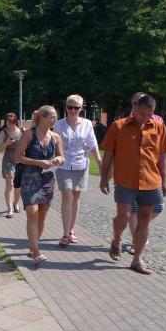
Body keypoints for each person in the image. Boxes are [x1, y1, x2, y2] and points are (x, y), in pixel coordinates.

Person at [101, 94, 166, 274]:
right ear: (135, 109)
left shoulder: (158, 126)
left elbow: (163, 155)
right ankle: (117, 239)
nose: (145, 118)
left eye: (149, 114)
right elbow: (108, 154)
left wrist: (164, 181)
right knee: (124, 216)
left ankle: (137, 258)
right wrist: (103, 178)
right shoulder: (118, 126)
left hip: (151, 180)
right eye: (142, 114)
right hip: (125, 180)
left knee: (145, 219)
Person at [13, 105, 65, 265]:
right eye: (52, 116)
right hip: (29, 177)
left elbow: (62, 157)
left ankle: (33, 245)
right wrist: (38, 162)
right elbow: (17, 157)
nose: (55, 119)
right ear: (42, 118)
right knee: (32, 212)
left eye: (56, 117)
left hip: (47, 178)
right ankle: (35, 251)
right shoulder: (29, 134)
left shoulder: (55, 137)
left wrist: (57, 160)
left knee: (42, 214)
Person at [54, 95, 102, 246]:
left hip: (81, 164)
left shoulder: (87, 124)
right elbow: (53, 143)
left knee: (76, 198)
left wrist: (99, 162)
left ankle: (72, 230)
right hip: (64, 165)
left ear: (81, 108)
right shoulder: (59, 125)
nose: (73, 110)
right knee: (67, 195)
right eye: (70, 107)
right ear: (66, 108)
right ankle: (65, 233)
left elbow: (92, 144)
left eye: (77, 108)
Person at [125, 92, 165, 253]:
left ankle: (141, 230)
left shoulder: (158, 121)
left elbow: (163, 150)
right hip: (131, 177)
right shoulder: (126, 122)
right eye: (135, 103)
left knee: (159, 207)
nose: (137, 106)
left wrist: (164, 176)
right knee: (134, 210)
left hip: (152, 174)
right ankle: (136, 242)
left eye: (139, 102)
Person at [0, 112, 22, 218]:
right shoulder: (3, 133)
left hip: (20, 161)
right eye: (7, 122)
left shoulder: (22, 131)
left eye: (11, 122)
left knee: (18, 186)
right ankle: (10, 209)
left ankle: (15, 203)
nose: (9, 124)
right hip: (8, 160)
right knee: (10, 184)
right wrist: (6, 143)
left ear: (15, 122)